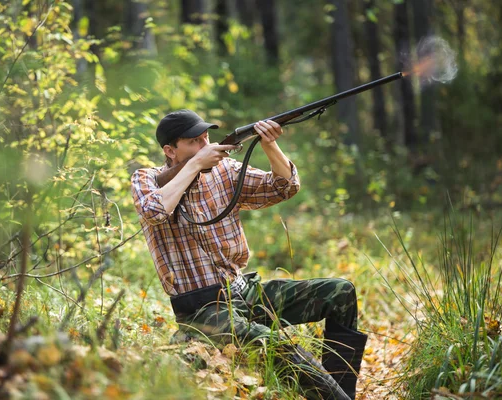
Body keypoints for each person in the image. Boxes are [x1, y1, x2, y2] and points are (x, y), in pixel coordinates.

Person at [131, 109, 367, 399]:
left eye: (206, 137)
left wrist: (270, 145)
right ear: (170, 150)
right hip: (203, 311)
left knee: (340, 292)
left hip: (245, 291)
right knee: (273, 344)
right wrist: (194, 167)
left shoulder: (225, 170)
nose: (206, 146)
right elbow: (155, 211)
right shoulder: (147, 179)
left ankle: (342, 393)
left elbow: (284, 187)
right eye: (194, 142)